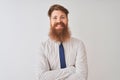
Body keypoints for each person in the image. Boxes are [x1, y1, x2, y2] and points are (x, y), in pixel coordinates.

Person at [38, 4, 88, 80]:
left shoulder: (79, 44)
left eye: (62, 17)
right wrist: (71, 70)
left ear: (67, 20)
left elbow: (82, 76)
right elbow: (41, 77)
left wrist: (52, 75)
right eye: (55, 18)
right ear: (50, 21)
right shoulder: (43, 47)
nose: (59, 21)